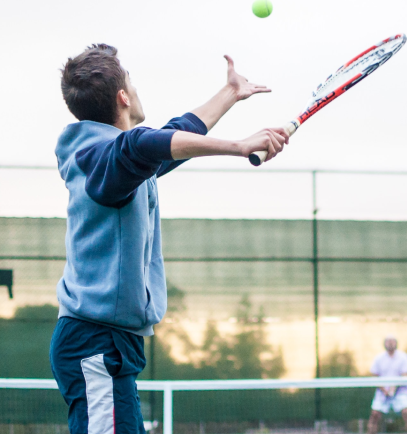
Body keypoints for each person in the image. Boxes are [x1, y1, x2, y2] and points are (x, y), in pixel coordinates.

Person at [49, 44, 289, 434]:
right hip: (94, 342)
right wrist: (238, 146)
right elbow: (145, 143)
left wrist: (230, 93)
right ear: (123, 97)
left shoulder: (118, 160)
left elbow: (171, 136)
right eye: (132, 83)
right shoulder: (102, 160)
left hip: (110, 341)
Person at [367, 335, 407, 434]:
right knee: (374, 415)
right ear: (384, 344)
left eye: (392, 341)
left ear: (396, 343)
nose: (390, 343)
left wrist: (394, 388)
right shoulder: (379, 358)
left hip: (400, 392)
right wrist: (384, 390)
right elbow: (375, 376)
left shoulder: (404, 357)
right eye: (388, 341)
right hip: (382, 393)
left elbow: (405, 376)